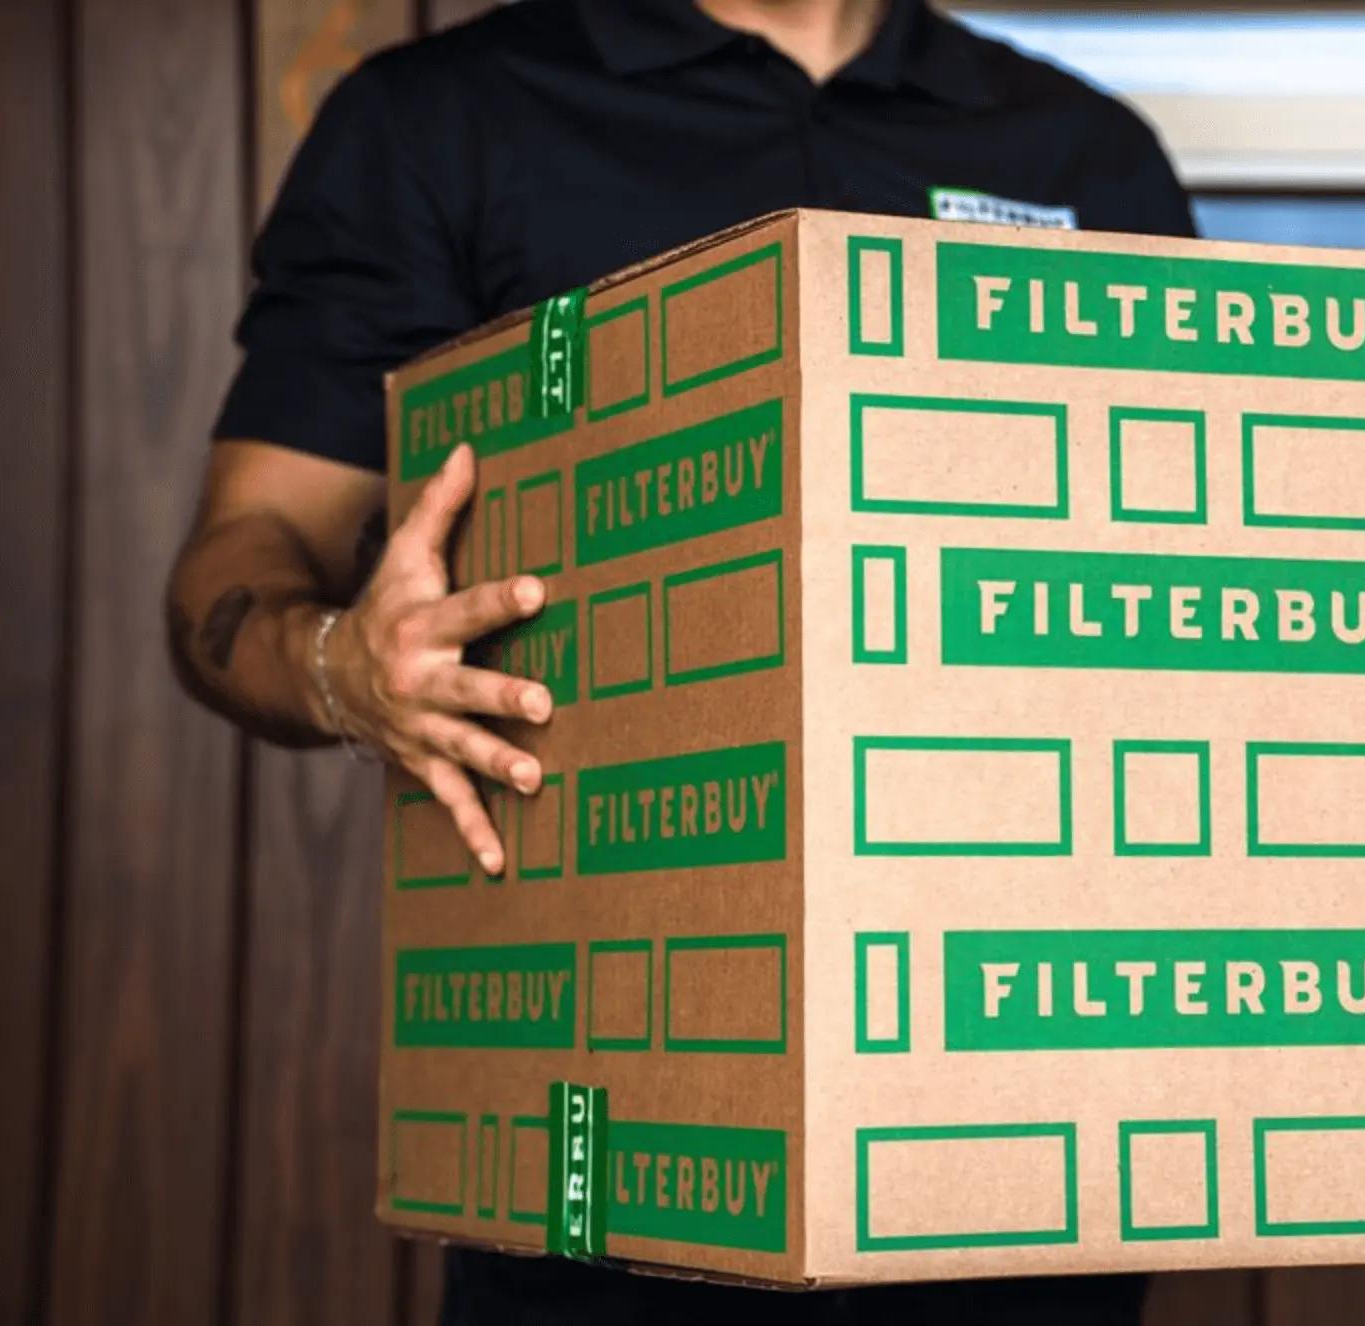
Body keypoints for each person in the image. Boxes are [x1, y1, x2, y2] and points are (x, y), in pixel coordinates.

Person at [165, 1, 1196, 1322]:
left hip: (1016, 1134)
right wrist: (338, 667)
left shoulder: (1085, 154)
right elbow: (242, 550)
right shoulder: (447, 117)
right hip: (605, 1144)